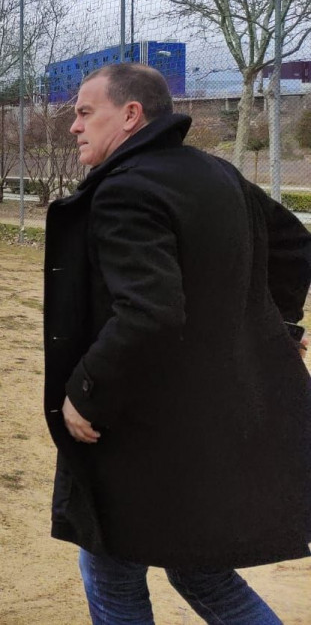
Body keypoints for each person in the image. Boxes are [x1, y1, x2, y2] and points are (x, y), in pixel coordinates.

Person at [43, 62, 311, 624]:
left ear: (132, 114)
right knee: (199, 567)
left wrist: (85, 392)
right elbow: (294, 244)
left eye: (85, 112)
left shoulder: (124, 190)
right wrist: (279, 330)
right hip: (208, 423)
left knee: (111, 565)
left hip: (142, 425)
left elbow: (149, 313)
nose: (74, 126)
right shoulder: (213, 173)